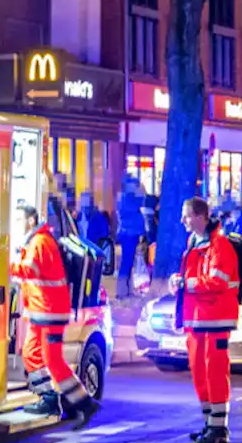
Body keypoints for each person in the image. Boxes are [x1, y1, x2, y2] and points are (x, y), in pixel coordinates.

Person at [10, 204, 99, 428]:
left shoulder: (40, 242)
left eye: (19, 219)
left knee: (54, 361)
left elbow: (31, 270)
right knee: (30, 353)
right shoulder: (36, 241)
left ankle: (85, 403)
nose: (17, 224)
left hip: (50, 312)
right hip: (42, 312)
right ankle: (49, 398)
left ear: (31, 221)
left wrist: (5, 264)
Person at [172, 197, 240, 443]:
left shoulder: (219, 245)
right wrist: (177, 280)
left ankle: (219, 428)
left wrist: (186, 284)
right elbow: (192, 276)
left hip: (215, 320)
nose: (183, 220)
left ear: (201, 216)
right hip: (197, 319)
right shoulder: (194, 243)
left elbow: (218, 282)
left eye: (187, 215)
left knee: (215, 372)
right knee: (200, 372)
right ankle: (209, 423)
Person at [115, 178, 145, 298]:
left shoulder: (125, 199)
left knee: (128, 261)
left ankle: (126, 289)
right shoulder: (128, 199)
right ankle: (123, 291)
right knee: (127, 262)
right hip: (129, 235)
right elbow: (138, 204)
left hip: (130, 234)